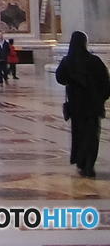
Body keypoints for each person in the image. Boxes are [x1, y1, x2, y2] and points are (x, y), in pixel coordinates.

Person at [56, 30, 110, 178]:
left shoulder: (67, 61)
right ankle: (89, 164)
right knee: (92, 135)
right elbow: (105, 83)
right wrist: (100, 98)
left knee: (79, 134)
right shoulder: (95, 61)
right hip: (93, 106)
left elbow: (60, 78)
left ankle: (81, 162)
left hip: (76, 106)